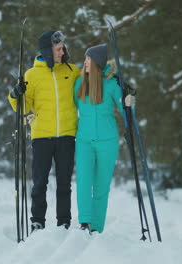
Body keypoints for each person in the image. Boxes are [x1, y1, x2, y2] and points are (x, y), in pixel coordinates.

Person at [8, 30, 80, 232]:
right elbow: (22, 107)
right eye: (58, 49)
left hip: (67, 134)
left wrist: (110, 76)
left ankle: (63, 221)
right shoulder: (32, 74)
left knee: (64, 183)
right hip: (42, 137)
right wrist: (15, 94)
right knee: (40, 182)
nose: (62, 51)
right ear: (48, 51)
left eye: (62, 48)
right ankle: (37, 220)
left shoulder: (72, 71)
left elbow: (90, 86)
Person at [73, 44, 134, 234]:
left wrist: (129, 100)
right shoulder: (79, 84)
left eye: (88, 60)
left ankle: (97, 228)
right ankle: (85, 222)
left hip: (107, 142)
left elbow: (127, 111)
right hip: (83, 141)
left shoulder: (112, 84)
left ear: (97, 63)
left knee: (101, 187)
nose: (85, 63)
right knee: (83, 182)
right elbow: (71, 108)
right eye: (85, 59)